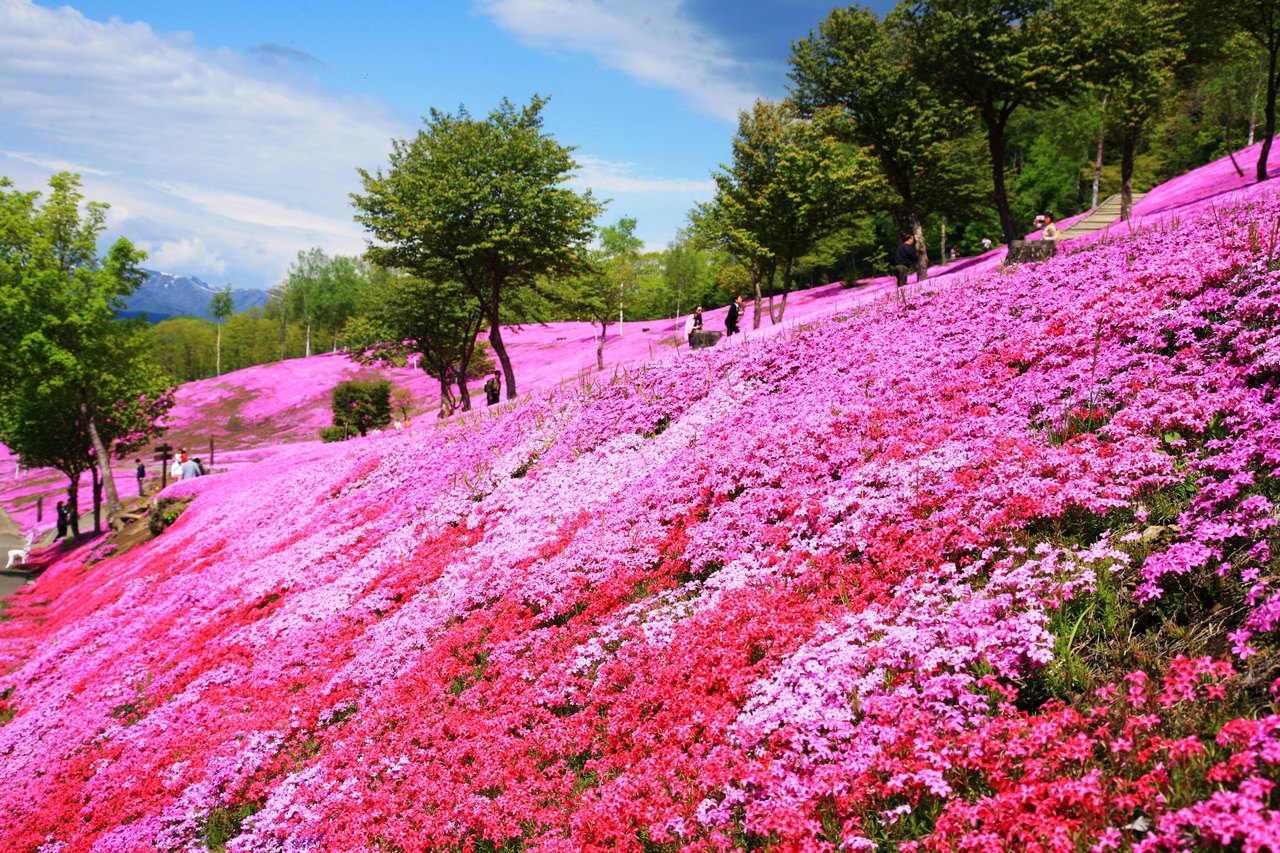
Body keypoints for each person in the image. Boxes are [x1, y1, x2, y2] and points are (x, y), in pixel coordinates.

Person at [891, 234, 918, 303]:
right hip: (902, 267)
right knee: (902, 284)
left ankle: (899, 298)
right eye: (912, 239)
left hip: (896, 267)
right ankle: (902, 300)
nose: (913, 240)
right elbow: (914, 257)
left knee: (899, 283)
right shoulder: (908, 247)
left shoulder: (900, 247)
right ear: (909, 239)